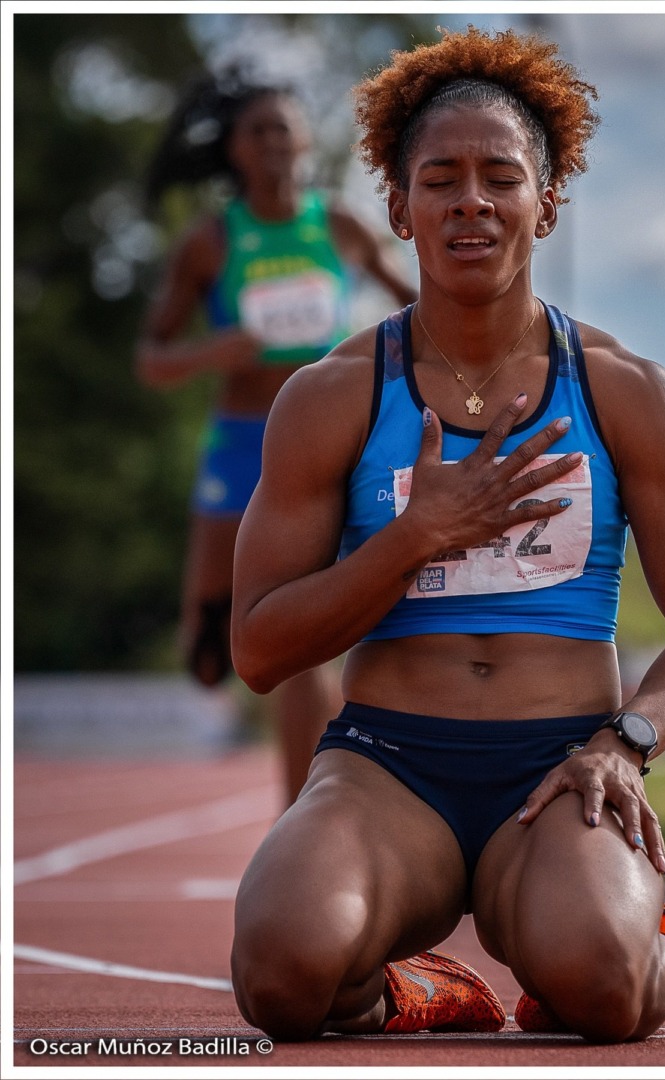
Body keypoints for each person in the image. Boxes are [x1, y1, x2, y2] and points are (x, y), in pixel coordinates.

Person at [229, 26, 665, 1042]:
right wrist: (412, 536)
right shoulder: (330, 399)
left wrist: (624, 746)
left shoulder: (626, 394)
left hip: (560, 770)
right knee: (282, 978)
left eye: (500, 176)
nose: (471, 200)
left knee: (605, 989)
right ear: (397, 204)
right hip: (386, 767)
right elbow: (258, 647)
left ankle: (625, 933)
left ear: (545, 203)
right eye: (441, 177)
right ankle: (415, 989)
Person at [134, 69, 418, 808]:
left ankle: (303, 818)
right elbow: (152, 358)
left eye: (282, 128)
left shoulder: (340, 227)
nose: (271, 143)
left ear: (305, 140)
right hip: (238, 441)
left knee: (298, 645)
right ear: (233, 148)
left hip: (321, 441)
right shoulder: (210, 241)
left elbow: (417, 307)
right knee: (208, 652)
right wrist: (210, 351)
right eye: (255, 131)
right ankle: (209, 629)